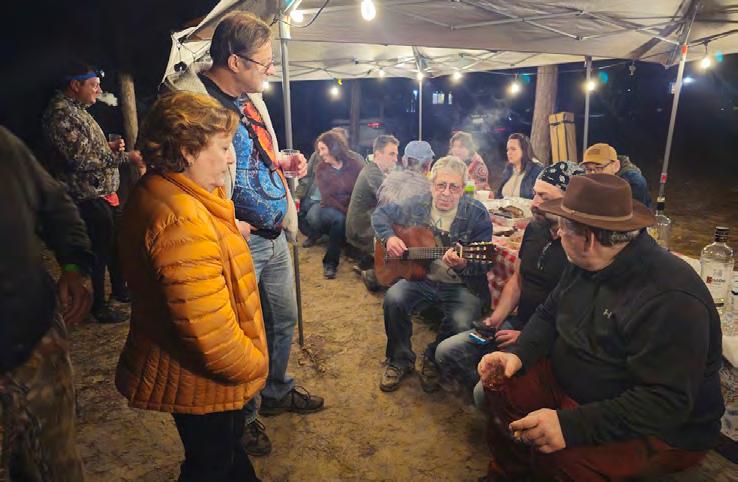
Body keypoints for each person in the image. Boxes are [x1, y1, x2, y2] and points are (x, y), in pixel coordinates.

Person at [478, 174, 724, 481]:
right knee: (501, 382)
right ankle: (509, 473)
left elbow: (665, 402)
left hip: (659, 428)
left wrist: (571, 426)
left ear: (588, 238)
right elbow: (549, 313)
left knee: (562, 458)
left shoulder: (671, 298)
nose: (558, 232)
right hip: (577, 385)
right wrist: (518, 354)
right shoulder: (585, 261)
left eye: (564, 226)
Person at [169, 12, 323, 455]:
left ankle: (275, 390)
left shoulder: (253, 100)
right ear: (235, 62)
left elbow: (255, 156)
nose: (269, 69)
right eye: (263, 62)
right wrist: (223, 224)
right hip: (237, 241)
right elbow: (180, 184)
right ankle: (246, 415)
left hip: (274, 234)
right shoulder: (194, 106)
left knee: (283, 320)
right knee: (242, 334)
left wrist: (282, 164)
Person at [115, 92, 269, 482]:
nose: (231, 158)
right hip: (201, 380)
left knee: (222, 457)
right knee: (212, 465)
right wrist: (255, 364)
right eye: (223, 147)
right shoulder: (182, 218)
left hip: (192, 373)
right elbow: (211, 337)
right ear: (186, 151)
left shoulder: (165, 191)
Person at [435, 161, 584, 406]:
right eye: (535, 193)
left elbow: (573, 316)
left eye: (544, 197)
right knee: (446, 352)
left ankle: (502, 401)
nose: (534, 202)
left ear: (569, 201)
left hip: (547, 341)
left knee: (483, 392)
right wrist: (496, 318)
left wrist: (527, 337)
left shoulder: (579, 247)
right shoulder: (535, 229)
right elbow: (517, 280)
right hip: (515, 324)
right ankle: (498, 402)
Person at [0, 126, 93, 481]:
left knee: (55, 462)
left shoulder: (5, 147)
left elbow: (54, 204)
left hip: (34, 337)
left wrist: (74, 264)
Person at [373, 156, 493, 393]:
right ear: (431, 185)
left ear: (463, 189)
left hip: (461, 284)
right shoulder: (418, 203)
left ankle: (432, 358)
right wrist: (390, 238)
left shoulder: (477, 213)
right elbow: (380, 215)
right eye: (441, 185)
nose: (446, 193)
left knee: (462, 320)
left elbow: (486, 262)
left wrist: (463, 264)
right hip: (422, 278)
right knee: (393, 299)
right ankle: (400, 360)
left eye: (454, 187)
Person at [42, 61, 145, 324]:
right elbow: (81, 159)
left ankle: (120, 291)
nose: (99, 90)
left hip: (102, 193)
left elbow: (87, 149)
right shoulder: (60, 116)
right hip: (86, 195)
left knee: (114, 245)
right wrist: (126, 158)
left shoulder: (77, 111)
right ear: (75, 85)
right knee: (99, 250)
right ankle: (98, 306)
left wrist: (108, 147)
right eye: (93, 85)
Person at [303, 130, 364, 278]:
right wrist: (347, 212)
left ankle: (362, 257)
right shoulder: (321, 168)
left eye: (323, 149)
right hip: (329, 207)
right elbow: (327, 197)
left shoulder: (354, 165)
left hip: (350, 206)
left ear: (333, 147)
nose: (320, 153)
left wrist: (352, 210)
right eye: (319, 150)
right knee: (339, 220)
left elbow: (359, 191)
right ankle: (330, 263)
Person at [346, 135, 399, 286]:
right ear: (378, 154)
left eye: (396, 154)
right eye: (391, 154)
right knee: (398, 233)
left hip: (363, 224)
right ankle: (376, 275)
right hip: (361, 229)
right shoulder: (373, 174)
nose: (396, 159)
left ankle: (366, 262)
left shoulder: (374, 170)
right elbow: (393, 201)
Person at [581, 143, 652, 207]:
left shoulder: (634, 182)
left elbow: (639, 213)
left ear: (616, 166)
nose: (593, 174)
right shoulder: (584, 178)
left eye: (599, 168)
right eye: (589, 169)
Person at [495, 132, 544, 200]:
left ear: (524, 150)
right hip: (505, 206)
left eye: (513, 149)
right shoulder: (509, 168)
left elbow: (541, 199)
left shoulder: (536, 170)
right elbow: (499, 194)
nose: (509, 153)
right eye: (508, 149)